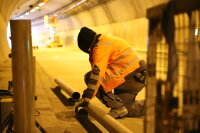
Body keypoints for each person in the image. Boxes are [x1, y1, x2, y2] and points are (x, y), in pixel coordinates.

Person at [75, 27, 146, 118]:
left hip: (131, 77)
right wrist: (86, 94)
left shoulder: (99, 47)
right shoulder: (105, 41)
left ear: (88, 47)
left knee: (90, 77)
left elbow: (97, 75)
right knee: (127, 109)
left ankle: (118, 108)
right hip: (136, 77)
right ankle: (156, 106)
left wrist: (87, 99)